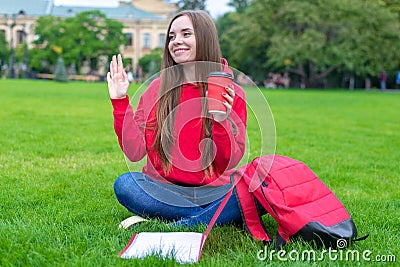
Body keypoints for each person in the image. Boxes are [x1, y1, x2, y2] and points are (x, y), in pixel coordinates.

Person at [107, 10, 249, 227]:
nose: (176, 42)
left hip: (213, 191)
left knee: (258, 188)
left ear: (204, 38)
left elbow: (226, 162)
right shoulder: (157, 89)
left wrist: (221, 120)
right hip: (164, 189)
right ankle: (209, 218)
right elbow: (134, 152)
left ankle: (184, 220)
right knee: (126, 184)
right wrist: (120, 101)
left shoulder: (230, 92)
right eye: (172, 36)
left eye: (185, 34)